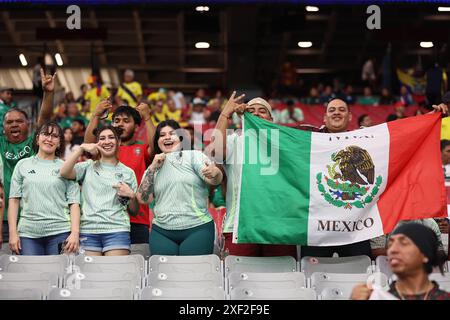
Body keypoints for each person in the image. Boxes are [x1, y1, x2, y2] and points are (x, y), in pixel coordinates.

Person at [210, 93, 298, 258]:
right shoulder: (234, 141)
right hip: (240, 226)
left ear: (271, 119)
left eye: (262, 111)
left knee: (283, 278)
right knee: (238, 279)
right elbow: (216, 152)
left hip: (279, 226)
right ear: (243, 117)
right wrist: (225, 114)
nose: (256, 113)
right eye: (251, 111)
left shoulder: (284, 143)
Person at [136, 120, 223, 256]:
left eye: (172, 134)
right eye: (162, 135)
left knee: (193, 274)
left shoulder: (194, 156)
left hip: (197, 228)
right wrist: (152, 168)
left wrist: (216, 173)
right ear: (157, 142)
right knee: (165, 275)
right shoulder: (153, 166)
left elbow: (213, 179)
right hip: (162, 231)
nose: (167, 137)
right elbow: (143, 199)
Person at [60, 126, 139, 256]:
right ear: (97, 144)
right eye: (102, 138)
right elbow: (64, 172)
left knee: (114, 275)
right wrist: (80, 149)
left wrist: (132, 196)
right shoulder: (88, 166)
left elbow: (134, 211)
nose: (107, 141)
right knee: (90, 275)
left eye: (111, 137)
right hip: (88, 230)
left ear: (118, 142)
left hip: (117, 230)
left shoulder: (127, 172)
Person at [84, 101, 155, 244]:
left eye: (126, 121)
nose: (120, 124)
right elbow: (88, 147)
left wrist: (147, 117)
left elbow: (155, 149)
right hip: (105, 222)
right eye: (116, 121)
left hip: (137, 220)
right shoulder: (104, 149)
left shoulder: (142, 149)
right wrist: (96, 115)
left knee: (136, 265)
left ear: (136, 126)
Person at [0, 69, 55, 248]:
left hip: (31, 219)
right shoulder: (1, 144)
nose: (14, 124)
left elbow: (45, 117)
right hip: (4, 219)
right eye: (9, 122)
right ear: (3, 128)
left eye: (19, 121)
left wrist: (47, 92)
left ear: (28, 125)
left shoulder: (34, 142)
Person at [8, 122, 81, 255]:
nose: (49, 139)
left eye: (54, 136)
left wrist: (75, 233)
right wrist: (13, 233)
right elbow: (14, 200)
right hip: (28, 233)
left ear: (59, 143)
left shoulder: (66, 167)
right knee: (31, 275)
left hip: (60, 231)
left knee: (60, 275)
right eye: (45, 134)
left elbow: (74, 203)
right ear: (37, 139)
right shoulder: (22, 165)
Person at [351, 223, 449, 300]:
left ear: (425, 255)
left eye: (404, 243)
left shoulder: (444, 298)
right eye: (391, 244)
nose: (392, 250)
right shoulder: (377, 297)